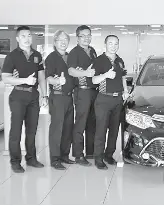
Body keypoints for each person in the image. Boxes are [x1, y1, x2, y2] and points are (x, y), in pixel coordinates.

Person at [1, 26, 48, 173]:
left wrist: (44, 95)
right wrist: (24, 80)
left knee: (32, 130)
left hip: (33, 96)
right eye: (23, 36)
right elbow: (6, 77)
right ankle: (15, 161)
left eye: (29, 35)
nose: (27, 39)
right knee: (15, 131)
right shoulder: (12, 56)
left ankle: (31, 158)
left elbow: (41, 76)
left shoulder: (37, 55)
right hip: (18, 97)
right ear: (17, 38)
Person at [91, 35, 128, 169]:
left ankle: (109, 155)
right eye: (111, 43)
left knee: (114, 130)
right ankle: (98, 158)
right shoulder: (99, 60)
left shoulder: (120, 60)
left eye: (116, 43)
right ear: (105, 45)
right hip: (103, 99)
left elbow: (123, 77)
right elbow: (94, 80)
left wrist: (125, 91)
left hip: (118, 99)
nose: (113, 46)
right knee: (101, 130)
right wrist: (106, 75)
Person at [45, 30, 75, 170]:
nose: (63, 42)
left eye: (66, 40)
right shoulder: (51, 58)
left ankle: (64, 155)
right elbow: (48, 78)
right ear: (55, 42)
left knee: (68, 128)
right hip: (57, 97)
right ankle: (55, 159)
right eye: (60, 40)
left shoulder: (70, 57)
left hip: (69, 97)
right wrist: (57, 80)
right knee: (57, 129)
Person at [67, 25, 97, 166]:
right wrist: (85, 73)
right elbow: (71, 71)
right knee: (80, 123)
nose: (86, 38)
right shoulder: (74, 52)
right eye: (83, 36)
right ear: (77, 37)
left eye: (88, 35)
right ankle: (78, 155)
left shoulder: (92, 51)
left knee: (92, 123)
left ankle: (90, 152)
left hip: (94, 91)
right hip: (82, 92)